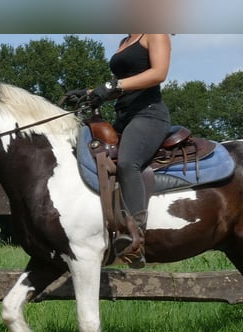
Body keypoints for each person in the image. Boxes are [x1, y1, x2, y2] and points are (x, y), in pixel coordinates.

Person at [67, 34, 172, 268]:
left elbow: (159, 73)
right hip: (123, 116)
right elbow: (122, 82)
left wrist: (114, 86)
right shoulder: (126, 40)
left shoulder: (155, 34)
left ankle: (136, 240)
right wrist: (91, 92)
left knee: (127, 163)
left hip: (148, 114)